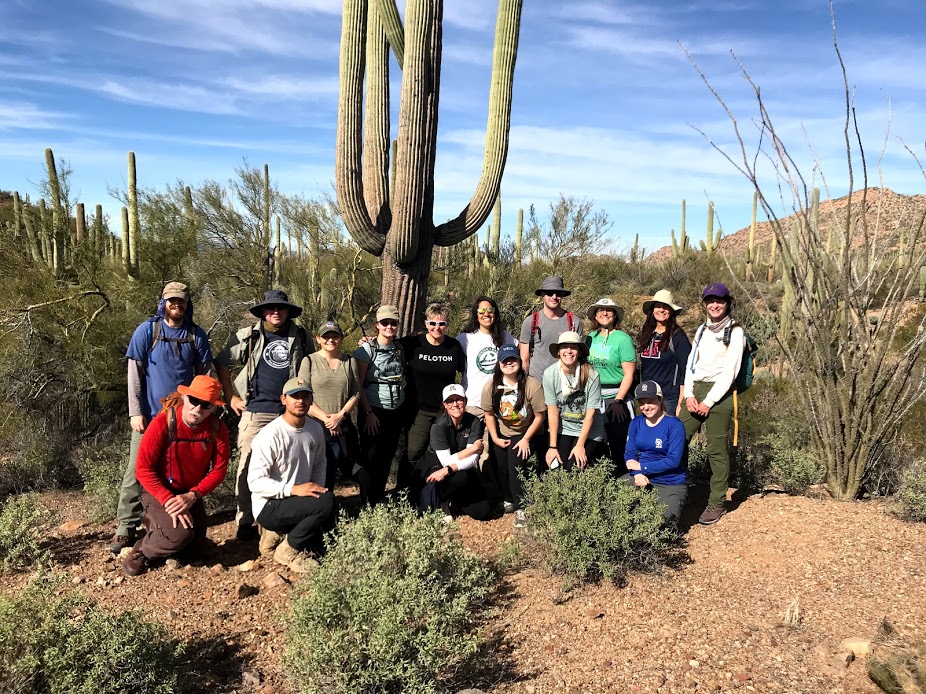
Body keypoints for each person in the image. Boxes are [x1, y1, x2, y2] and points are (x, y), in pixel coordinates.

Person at [111, 282, 213, 554]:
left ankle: (165, 519)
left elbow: (204, 378)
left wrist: (200, 413)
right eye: (172, 300)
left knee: (181, 472)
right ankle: (125, 528)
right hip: (151, 417)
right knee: (137, 470)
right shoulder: (147, 331)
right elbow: (134, 375)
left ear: (187, 304)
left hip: (183, 421)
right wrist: (135, 412)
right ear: (163, 302)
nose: (177, 305)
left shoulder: (196, 336)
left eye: (181, 301)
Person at [215, 289, 313, 541]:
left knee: (290, 465)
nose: (276, 312)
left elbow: (313, 364)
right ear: (263, 312)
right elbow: (222, 361)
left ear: (288, 311)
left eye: (280, 308)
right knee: (248, 464)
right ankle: (245, 520)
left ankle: (282, 518)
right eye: (270, 308)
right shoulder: (249, 335)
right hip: (255, 409)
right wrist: (230, 396)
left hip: (289, 411)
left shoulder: (301, 335)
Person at [123, 376, 230, 576]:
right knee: (179, 536)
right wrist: (168, 500)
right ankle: (142, 550)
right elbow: (143, 469)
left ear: (213, 408)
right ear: (185, 397)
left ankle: (160, 530)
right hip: (158, 490)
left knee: (196, 548)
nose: (197, 409)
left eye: (205, 405)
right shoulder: (163, 422)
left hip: (188, 494)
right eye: (194, 401)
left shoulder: (217, 428)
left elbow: (219, 469)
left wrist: (193, 496)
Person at [247, 377, 336, 574]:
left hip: (298, 499)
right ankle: (288, 550)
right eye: (295, 396)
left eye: (306, 396)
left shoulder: (315, 429)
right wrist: (293, 489)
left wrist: (316, 490)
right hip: (269, 505)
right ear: (283, 399)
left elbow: (320, 463)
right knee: (325, 504)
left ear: (312, 400)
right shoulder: (269, 435)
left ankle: (277, 536)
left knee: (328, 538)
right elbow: (255, 482)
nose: (300, 401)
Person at [679, 283, 745, 526]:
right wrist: (689, 396)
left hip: (721, 393)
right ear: (704, 303)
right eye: (710, 301)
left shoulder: (735, 331)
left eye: (719, 300)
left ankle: (717, 501)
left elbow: (730, 372)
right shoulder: (701, 330)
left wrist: (708, 401)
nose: (714, 305)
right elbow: (690, 364)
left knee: (715, 449)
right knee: (678, 438)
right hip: (696, 390)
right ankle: (677, 490)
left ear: (727, 302)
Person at [481, 344, 546, 528]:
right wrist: (494, 438)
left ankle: (521, 506)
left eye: (513, 359)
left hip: (527, 431)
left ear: (519, 361)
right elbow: (489, 414)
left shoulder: (531, 385)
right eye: (505, 360)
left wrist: (526, 439)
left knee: (515, 463)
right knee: (501, 465)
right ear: (499, 364)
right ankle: (508, 498)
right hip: (503, 431)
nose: (509, 363)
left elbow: (540, 415)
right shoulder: (492, 386)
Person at [399, 303, 466, 472]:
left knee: (441, 452)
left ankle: (432, 493)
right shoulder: (413, 343)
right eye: (433, 323)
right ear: (426, 324)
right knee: (413, 453)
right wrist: (369, 340)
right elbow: (388, 345)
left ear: (447, 325)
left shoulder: (454, 346)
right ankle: (405, 493)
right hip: (418, 410)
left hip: (445, 410)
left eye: (442, 324)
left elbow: (465, 370)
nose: (437, 328)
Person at [412, 385, 491, 521]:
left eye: (459, 399)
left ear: (465, 401)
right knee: (461, 477)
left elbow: (473, 460)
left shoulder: (474, 422)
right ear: (444, 405)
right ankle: (443, 503)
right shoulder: (439, 426)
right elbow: (446, 461)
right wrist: (472, 449)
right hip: (435, 467)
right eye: (450, 401)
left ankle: (453, 502)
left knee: (482, 512)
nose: (455, 404)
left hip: (456, 469)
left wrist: (448, 469)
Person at [354, 305, 407, 505]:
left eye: (393, 323)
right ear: (377, 325)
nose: (389, 326)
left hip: (395, 409)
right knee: (371, 456)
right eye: (385, 323)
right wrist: (368, 412)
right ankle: (366, 501)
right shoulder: (366, 350)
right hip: (373, 409)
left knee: (387, 456)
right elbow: (358, 384)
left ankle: (378, 496)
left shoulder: (399, 348)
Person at [621, 380, 688, 534]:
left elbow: (673, 460)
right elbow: (630, 454)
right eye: (642, 403)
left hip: (670, 482)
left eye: (650, 401)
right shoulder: (636, 423)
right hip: (642, 477)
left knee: (663, 531)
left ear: (660, 399)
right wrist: (637, 473)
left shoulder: (674, 425)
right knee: (613, 502)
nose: (646, 407)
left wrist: (642, 467)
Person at [305, 320, 361, 489]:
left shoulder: (349, 362)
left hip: (342, 422)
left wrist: (340, 416)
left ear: (341, 338)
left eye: (335, 336)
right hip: (315, 425)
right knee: (320, 469)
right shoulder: (309, 361)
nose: (330, 340)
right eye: (326, 336)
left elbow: (356, 392)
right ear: (318, 339)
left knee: (349, 464)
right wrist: (327, 419)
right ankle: (322, 509)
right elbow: (303, 395)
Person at [585, 297, 636, 472]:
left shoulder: (623, 340)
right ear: (595, 315)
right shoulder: (590, 338)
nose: (604, 314)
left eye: (609, 311)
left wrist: (618, 401)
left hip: (615, 397)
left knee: (619, 444)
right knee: (596, 443)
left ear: (615, 315)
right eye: (600, 310)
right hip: (593, 396)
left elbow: (629, 374)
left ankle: (624, 481)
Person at [542, 331, 605, 470]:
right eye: (564, 347)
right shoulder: (550, 374)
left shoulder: (591, 374)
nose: (569, 351)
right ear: (558, 351)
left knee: (575, 467)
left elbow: (590, 414)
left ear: (579, 352)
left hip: (589, 431)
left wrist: (580, 445)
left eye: (574, 347)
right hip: (564, 429)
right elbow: (552, 412)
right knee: (556, 467)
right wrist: (553, 446)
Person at [456, 295, 517, 419]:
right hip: (472, 403)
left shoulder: (505, 337)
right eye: (482, 311)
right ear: (476, 314)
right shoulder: (465, 338)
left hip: (499, 403)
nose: (486, 314)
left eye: (490, 310)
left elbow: (522, 349)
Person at [637, 290, 692, 416]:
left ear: (671, 311)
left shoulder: (678, 337)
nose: (661, 310)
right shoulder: (646, 334)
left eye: (665, 307)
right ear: (652, 310)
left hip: (669, 398)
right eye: (658, 306)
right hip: (647, 396)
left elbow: (685, 371)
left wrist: (680, 404)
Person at [519, 276, 583, 382]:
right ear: (542, 295)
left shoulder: (574, 322)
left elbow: (579, 356)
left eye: (558, 293)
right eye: (550, 293)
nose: (554, 297)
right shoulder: (531, 322)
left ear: (562, 296)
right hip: (537, 382)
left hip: (565, 382)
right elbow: (524, 360)